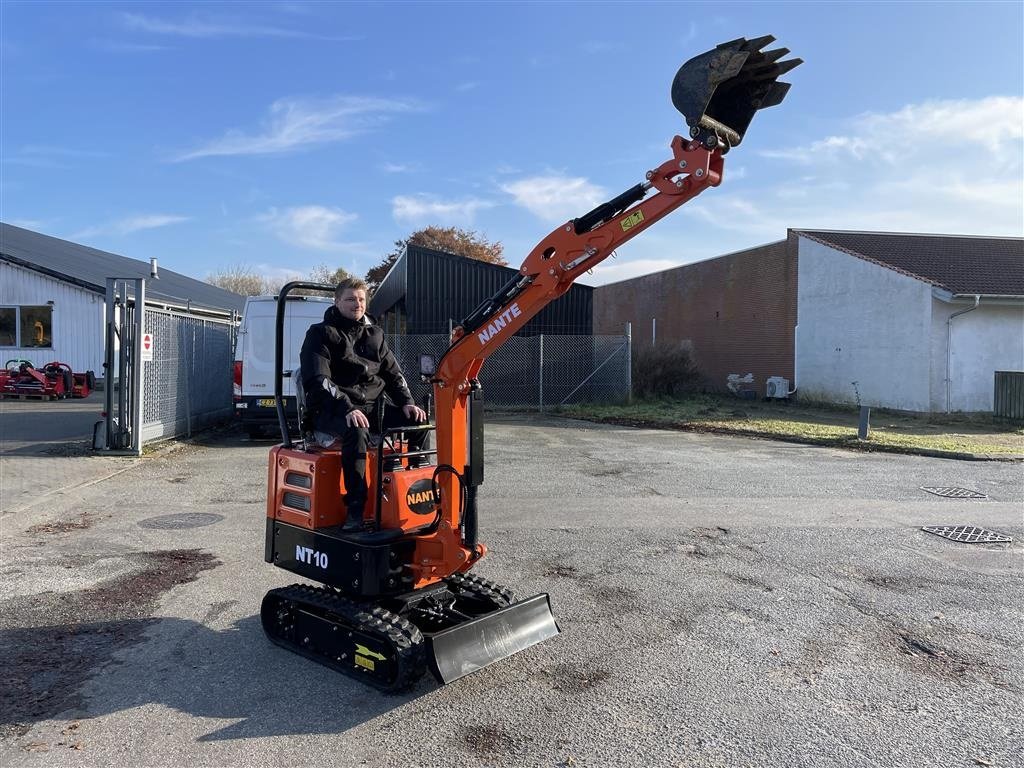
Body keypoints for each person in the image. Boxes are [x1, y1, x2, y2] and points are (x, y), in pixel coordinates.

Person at [299, 277, 427, 532]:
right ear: (336, 302)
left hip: (371, 408)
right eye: (349, 299)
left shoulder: (375, 335)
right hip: (331, 409)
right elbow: (317, 380)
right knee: (357, 431)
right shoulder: (320, 334)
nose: (356, 304)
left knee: (419, 420)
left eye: (360, 299)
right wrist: (347, 408)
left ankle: (416, 491)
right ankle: (356, 510)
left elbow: (393, 373)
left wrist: (407, 403)